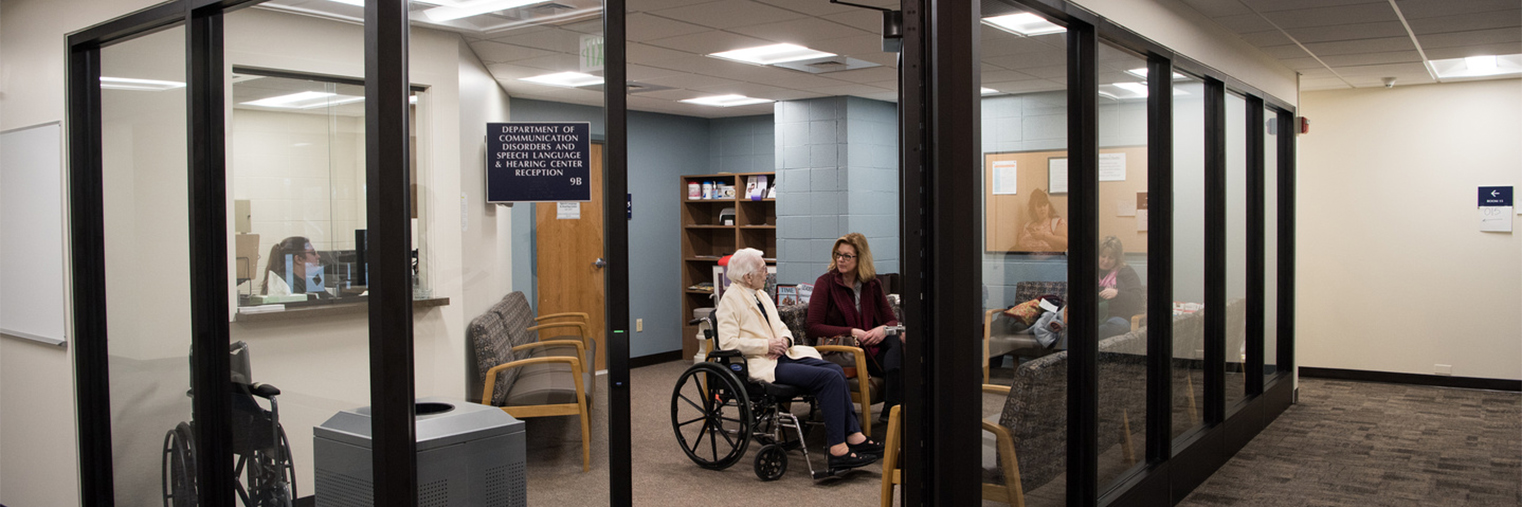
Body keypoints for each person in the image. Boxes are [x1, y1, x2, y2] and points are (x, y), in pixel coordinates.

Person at [717, 248, 881, 470]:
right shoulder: (730, 300)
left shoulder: (762, 295)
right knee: (828, 378)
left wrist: (784, 339)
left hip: (783, 355)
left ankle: (854, 436)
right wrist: (766, 345)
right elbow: (727, 343)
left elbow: (781, 327)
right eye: (763, 269)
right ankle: (838, 450)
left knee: (834, 370)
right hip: (762, 363)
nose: (767, 273)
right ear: (748, 276)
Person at [806, 233, 903, 423]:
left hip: (870, 349)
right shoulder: (825, 283)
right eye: (838, 255)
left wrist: (882, 329)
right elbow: (813, 327)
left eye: (847, 256)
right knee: (900, 358)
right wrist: (850, 331)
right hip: (845, 353)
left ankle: (892, 411)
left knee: (897, 341)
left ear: (860, 258)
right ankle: (893, 412)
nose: (841, 260)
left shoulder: (872, 284)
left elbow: (891, 320)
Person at [1098, 236, 1144, 338]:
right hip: (1093, 315)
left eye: (1111, 258)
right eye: (1103, 256)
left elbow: (1137, 299)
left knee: (1118, 326)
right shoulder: (1089, 270)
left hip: (1117, 318)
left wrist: (1117, 293)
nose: (1106, 261)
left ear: (1117, 259)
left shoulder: (1126, 272)